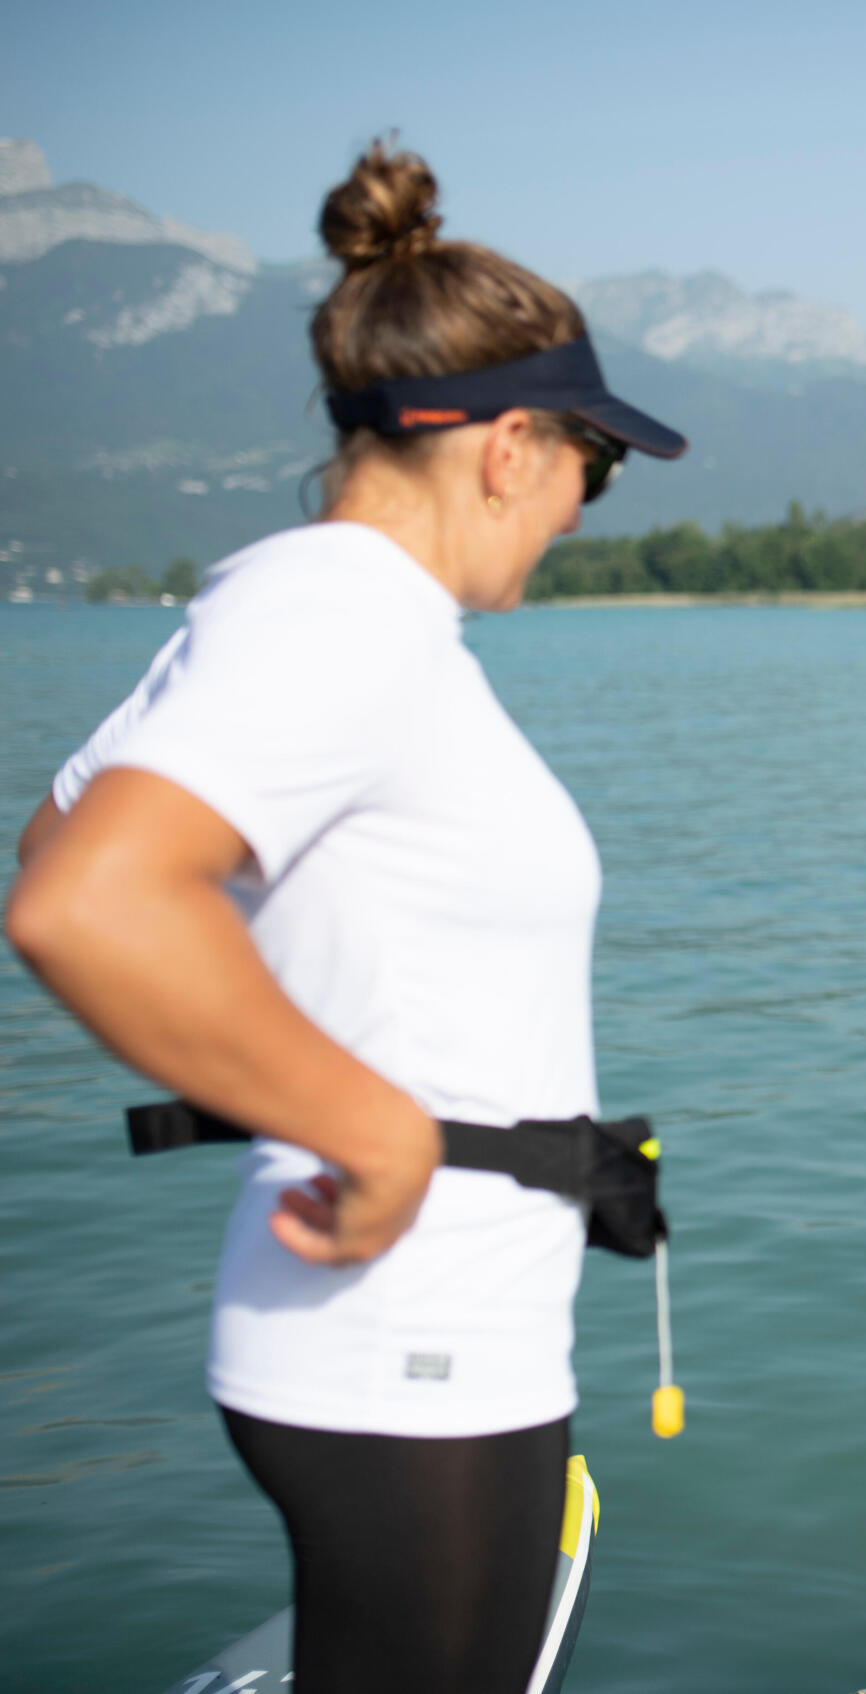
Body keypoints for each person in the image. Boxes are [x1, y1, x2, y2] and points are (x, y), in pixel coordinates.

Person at [6, 140, 686, 1694]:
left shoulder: (295, 606)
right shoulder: (344, 616)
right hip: (405, 1338)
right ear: (509, 446)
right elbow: (81, 895)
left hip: (411, 1333)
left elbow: (65, 823)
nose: (587, 504)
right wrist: (370, 1123)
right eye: (596, 459)